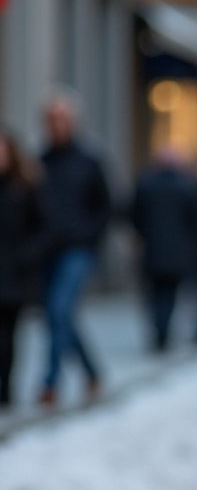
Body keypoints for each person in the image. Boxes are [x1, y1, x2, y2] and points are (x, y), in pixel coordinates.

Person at [36, 91, 111, 404]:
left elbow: (106, 205)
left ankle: (50, 383)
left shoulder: (89, 161)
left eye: (62, 119)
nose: (57, 125)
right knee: (59, 316)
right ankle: (92, 372)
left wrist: (89, 235)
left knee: (59, 310)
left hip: (78, 250)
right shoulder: (39, 163)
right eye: (52, 120)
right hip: (46, 251)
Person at [131, 146, 197, 352]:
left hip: (152, 248)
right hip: (178, 251)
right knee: (170, 294)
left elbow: (134, 214)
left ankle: (159, 330)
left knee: (154, 293)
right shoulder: (187, 186)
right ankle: (163, 331)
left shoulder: (145, 183)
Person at [0, 126, 44, 407]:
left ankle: (6, 387)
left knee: (8, 334)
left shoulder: (24, 188)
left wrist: (26, 256)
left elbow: (44, 228)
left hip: (13, 273)